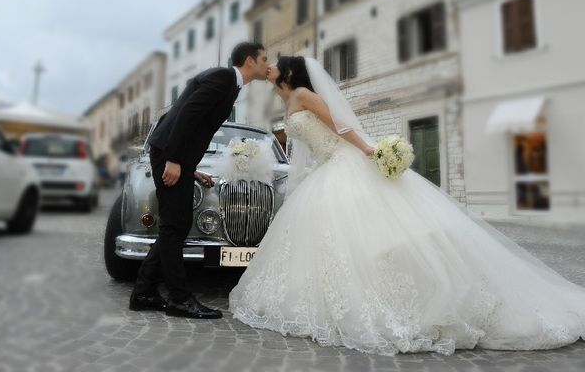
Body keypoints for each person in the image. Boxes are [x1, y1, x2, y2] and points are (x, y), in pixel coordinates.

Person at [229, 55, 585, 355]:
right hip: (323, 171)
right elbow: (303, 148)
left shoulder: (305, 94)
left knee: (374, 230)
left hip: (344, 164)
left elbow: (339, 126)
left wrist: (370, 150)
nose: (270, 66)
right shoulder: (286, 102)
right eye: (266, 62)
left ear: (289, 72)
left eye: (275, 64)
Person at [130, 42, 269, 319]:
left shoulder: (229, 83)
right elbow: (186, 116)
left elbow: (190, 121)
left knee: (175, 226)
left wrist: (188, 168)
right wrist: (173, 159)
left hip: (177, 158)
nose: (268, 64)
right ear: (250, 62)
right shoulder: (222, 78)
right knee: (174, 226)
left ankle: (144, 293)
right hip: (171, 156)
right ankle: (178, 299)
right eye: (265, 59)